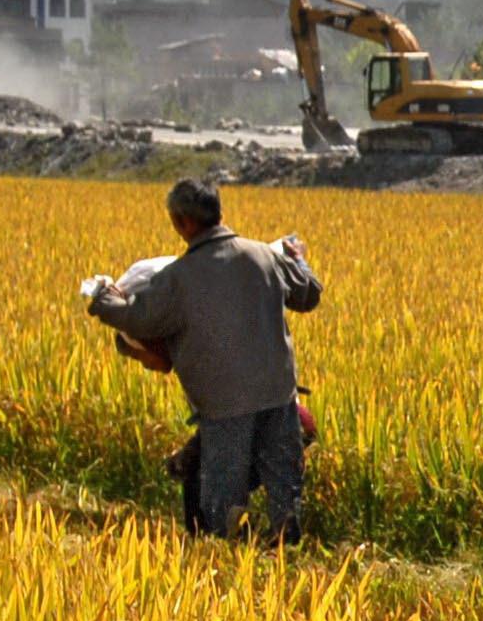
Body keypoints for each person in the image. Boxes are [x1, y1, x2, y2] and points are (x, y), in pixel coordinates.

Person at [87, 176, 321, 541]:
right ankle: (287, 560)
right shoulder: (263, 255)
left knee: (222, 508)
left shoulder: (180, 278)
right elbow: (308, 296)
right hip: (279, 395)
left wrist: (104, 300)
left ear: (183, 223)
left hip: (226, 407)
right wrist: (299, 262)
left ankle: (226, 567)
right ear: (219, 213)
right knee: (284, 494)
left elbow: (139, 318)